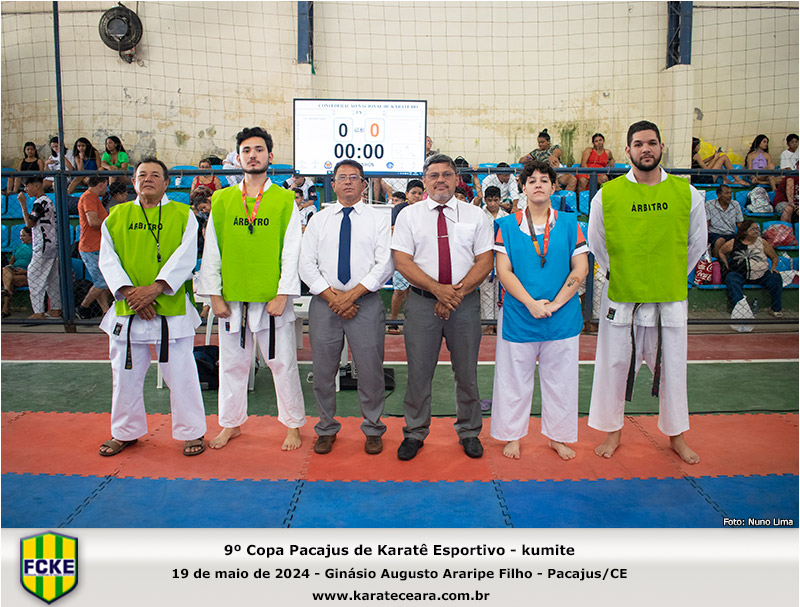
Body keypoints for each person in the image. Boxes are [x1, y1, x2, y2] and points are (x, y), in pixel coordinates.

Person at [587, 121, 707, 465]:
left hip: (669, 295)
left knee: (672, 370)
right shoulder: (608, 195)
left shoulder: (687, 193)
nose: (646, 149)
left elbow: (697, 243)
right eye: (638, 144)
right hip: (623, 295)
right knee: (614, 367)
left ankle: (677, 436)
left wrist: (668, 274)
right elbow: (597, 243)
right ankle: (613, 432)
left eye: (652, 143)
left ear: (661, 147)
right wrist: (625, 272)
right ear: (628, 150)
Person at [197, 126, 305, 451]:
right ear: (238, 157)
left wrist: (284, 294)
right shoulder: (223, 199)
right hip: (233, 298)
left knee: (282, 364)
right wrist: (213, 295)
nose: (253, 155)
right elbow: (212, 250)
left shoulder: (284, 200)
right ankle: (230, 424)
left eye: (259, 150)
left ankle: (293, 425)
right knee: (232, 365)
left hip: (272, 298)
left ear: (270, 156)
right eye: (246, 150)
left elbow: (292, 250)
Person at [97, 157, 206, 457]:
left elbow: (186, 257)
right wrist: (132, 294)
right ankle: (124, 432)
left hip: (170, 308)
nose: (148, 179)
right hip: (129, 309)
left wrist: (155, 289)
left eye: (155, 175)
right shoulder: (116, 217)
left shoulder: (183, 215)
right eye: (142, 174)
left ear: (166, 183)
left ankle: (192, 431)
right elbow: (108, 259)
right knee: (125, 376)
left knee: (182, 374)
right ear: (133, 182)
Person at [391, 153, 494, 460]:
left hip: (464, 303)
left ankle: (470, 431)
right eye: (433, 175)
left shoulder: (476, 216)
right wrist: (437, 290)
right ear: (424, 181)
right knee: (419, 372)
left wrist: (454, 295)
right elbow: (402, 260)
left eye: (447, 174)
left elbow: (485, 260)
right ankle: (414, 431)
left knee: (467, 372)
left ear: (456, 179)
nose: (440, 180)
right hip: (423, 303)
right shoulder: (409, 216)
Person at [491, 162, 588, 459]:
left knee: (562, 381)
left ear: (554, 187)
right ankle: (512, 436)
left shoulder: (570, 224)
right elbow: (503, 271)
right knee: (513, 380)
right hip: (520, 315)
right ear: (523, 187)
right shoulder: (507, 226)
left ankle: (558, 437)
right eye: (531, 180)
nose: (538, 185)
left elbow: (581, 268)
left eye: (544, 180)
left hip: (562, 316)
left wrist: (556, 303)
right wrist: (531, 303)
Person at [299, 159, 393, 455]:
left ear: (364, 184)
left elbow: (384, 264)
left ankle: (373, 428)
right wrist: (334, 298)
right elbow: (306, 264)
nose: (348, 181)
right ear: (333, 184)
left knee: (370, 370)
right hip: (325, 303)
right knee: (323, 370)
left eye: (354, 177)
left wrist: (351, 296)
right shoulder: (319, 220)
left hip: (365, 302)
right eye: (342, 177)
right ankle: (326, 428)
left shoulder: (378, 219)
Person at [719, 220, 783, 318]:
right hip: (740, 274)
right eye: (752, 229)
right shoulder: (733, 243)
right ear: (745, 231)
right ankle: (740, 310)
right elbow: (721, 252)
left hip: (761, 274)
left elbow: (774, 257)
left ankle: (776, 309)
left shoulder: (762, 242)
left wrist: (773, 268)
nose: (756, 231)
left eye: (757, 229)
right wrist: (727, 265)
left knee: (776, 278)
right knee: (731, 278)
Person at [18, 175, 61, 319]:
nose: (26, 189)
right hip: (51, 243)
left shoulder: (40, 202)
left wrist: (23, 205)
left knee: (34, 275)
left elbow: (29, 224)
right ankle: (56, 308)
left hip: (44, 244)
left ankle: (38, 311)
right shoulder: (47, 201)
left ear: (36, 185)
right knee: (52, 277)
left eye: (27, 186)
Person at [388, 179, 425, 334]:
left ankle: (412, 321)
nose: (416, 196)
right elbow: (392, 228)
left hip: (420, 255)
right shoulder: (400, 209)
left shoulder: (424, 210)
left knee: (414, 290)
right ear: (407, 194)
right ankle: (393, 321)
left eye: (420, 193)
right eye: (413, 193)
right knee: (399, 290)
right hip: (403, 254)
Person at [76, 175, 111, 319]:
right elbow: (93, 221)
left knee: (99, 281)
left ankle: (105, 311)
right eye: (106, 185)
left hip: (94, 245)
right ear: (101, 184)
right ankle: (83, 306)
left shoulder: (91, 197)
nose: (106, 189)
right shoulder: (89, 197)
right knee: (102, 281)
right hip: (91, 246)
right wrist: (111, 222)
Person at [478, 186, 508, 333]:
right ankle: (489, 324)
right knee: (486, 292)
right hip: (486, 256)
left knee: (501, 291)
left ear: (500, 200)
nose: (492, 204)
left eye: (495, 200)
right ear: (485, 200)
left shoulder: (505, 216)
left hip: (502, 258)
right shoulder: (480, 215)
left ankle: (500, 322)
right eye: (489, 200)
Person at [2, 226, 32, 317]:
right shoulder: (17, 246)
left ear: (31, 236)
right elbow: (11, 262)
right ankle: (6, 292)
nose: (21, 238)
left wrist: (25, 271)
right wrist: (12, 268)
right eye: (20, 236)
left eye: (24, 235)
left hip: (28, 273)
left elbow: (38, 266)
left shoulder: (35, 247)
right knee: (5, 270)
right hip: (15, 271)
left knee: (10, 280)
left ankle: (5, 307)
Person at [706, 185, 742, 258]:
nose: (729, 195)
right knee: (720, 240)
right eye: (726, 193)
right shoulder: (709, 204)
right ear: (718, 195)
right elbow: (707, 223)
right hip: (714, 233)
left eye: (730, 193)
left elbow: (739, 223)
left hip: (730, 234)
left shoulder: (735, 204)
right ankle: (715, 260)